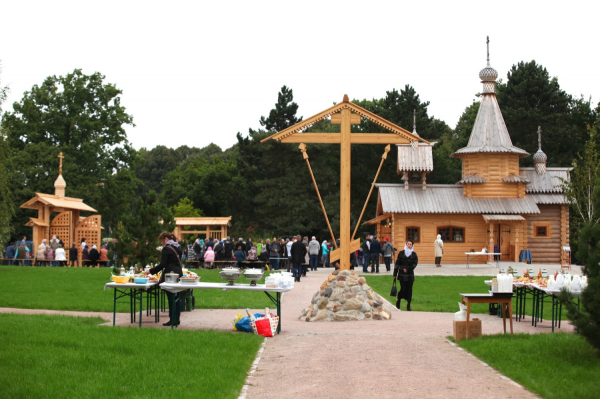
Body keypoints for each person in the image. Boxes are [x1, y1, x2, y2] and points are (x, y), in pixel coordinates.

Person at [146, 232, 183, 326]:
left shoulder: (166, 248)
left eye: (162, 241)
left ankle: (172, 319)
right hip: (179, 272)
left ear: (166, 239)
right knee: (178, 296)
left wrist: (150, 271)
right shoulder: (178, 246)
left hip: (170, 274)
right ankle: (177, 318)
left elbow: (163, 264)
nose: (162, 243)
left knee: (171, 297)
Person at [393, 240, 418, 311]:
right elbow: (397, 264)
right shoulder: (401, 253)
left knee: (409, 290)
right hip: (402, 274)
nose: (409, 245)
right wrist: (395, 273)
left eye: (410, 244)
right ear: (406, 244)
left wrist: (408, 269)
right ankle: (398, 300)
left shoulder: (414, 254)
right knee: (403, 289)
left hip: (410, 275)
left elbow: (415, 264)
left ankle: (408, 305)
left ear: (412, 246)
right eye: (408, 244)